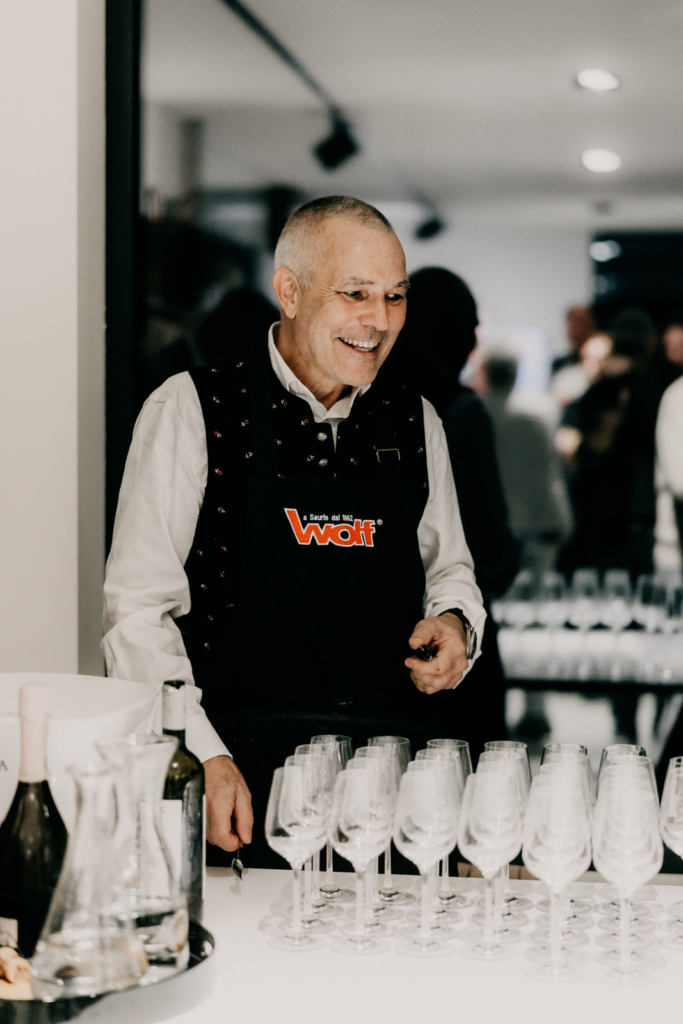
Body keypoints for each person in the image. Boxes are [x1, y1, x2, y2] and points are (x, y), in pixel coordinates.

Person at [103, 196, 486, 866]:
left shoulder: (415, 420)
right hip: (238, 782)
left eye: (394, 296)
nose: (379, 320)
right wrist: (199, 754)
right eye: (355, 293)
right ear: (289, 292)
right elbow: (136, 613)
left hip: (391, 789)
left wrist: (456, 624)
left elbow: (449, 570)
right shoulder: (192, 409)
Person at [381, 267, 520, 743]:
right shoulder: (458, 410)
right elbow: (493, 550)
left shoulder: (369, 397)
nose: (476, 340)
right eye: (472, 326)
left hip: (383, 640)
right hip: (453, 633)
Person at [475, 350, 573, 573]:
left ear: (485, 373)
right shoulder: (544, 410)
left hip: (495, 522)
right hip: (544, 517)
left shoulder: (476, 410)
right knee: (541, 589)